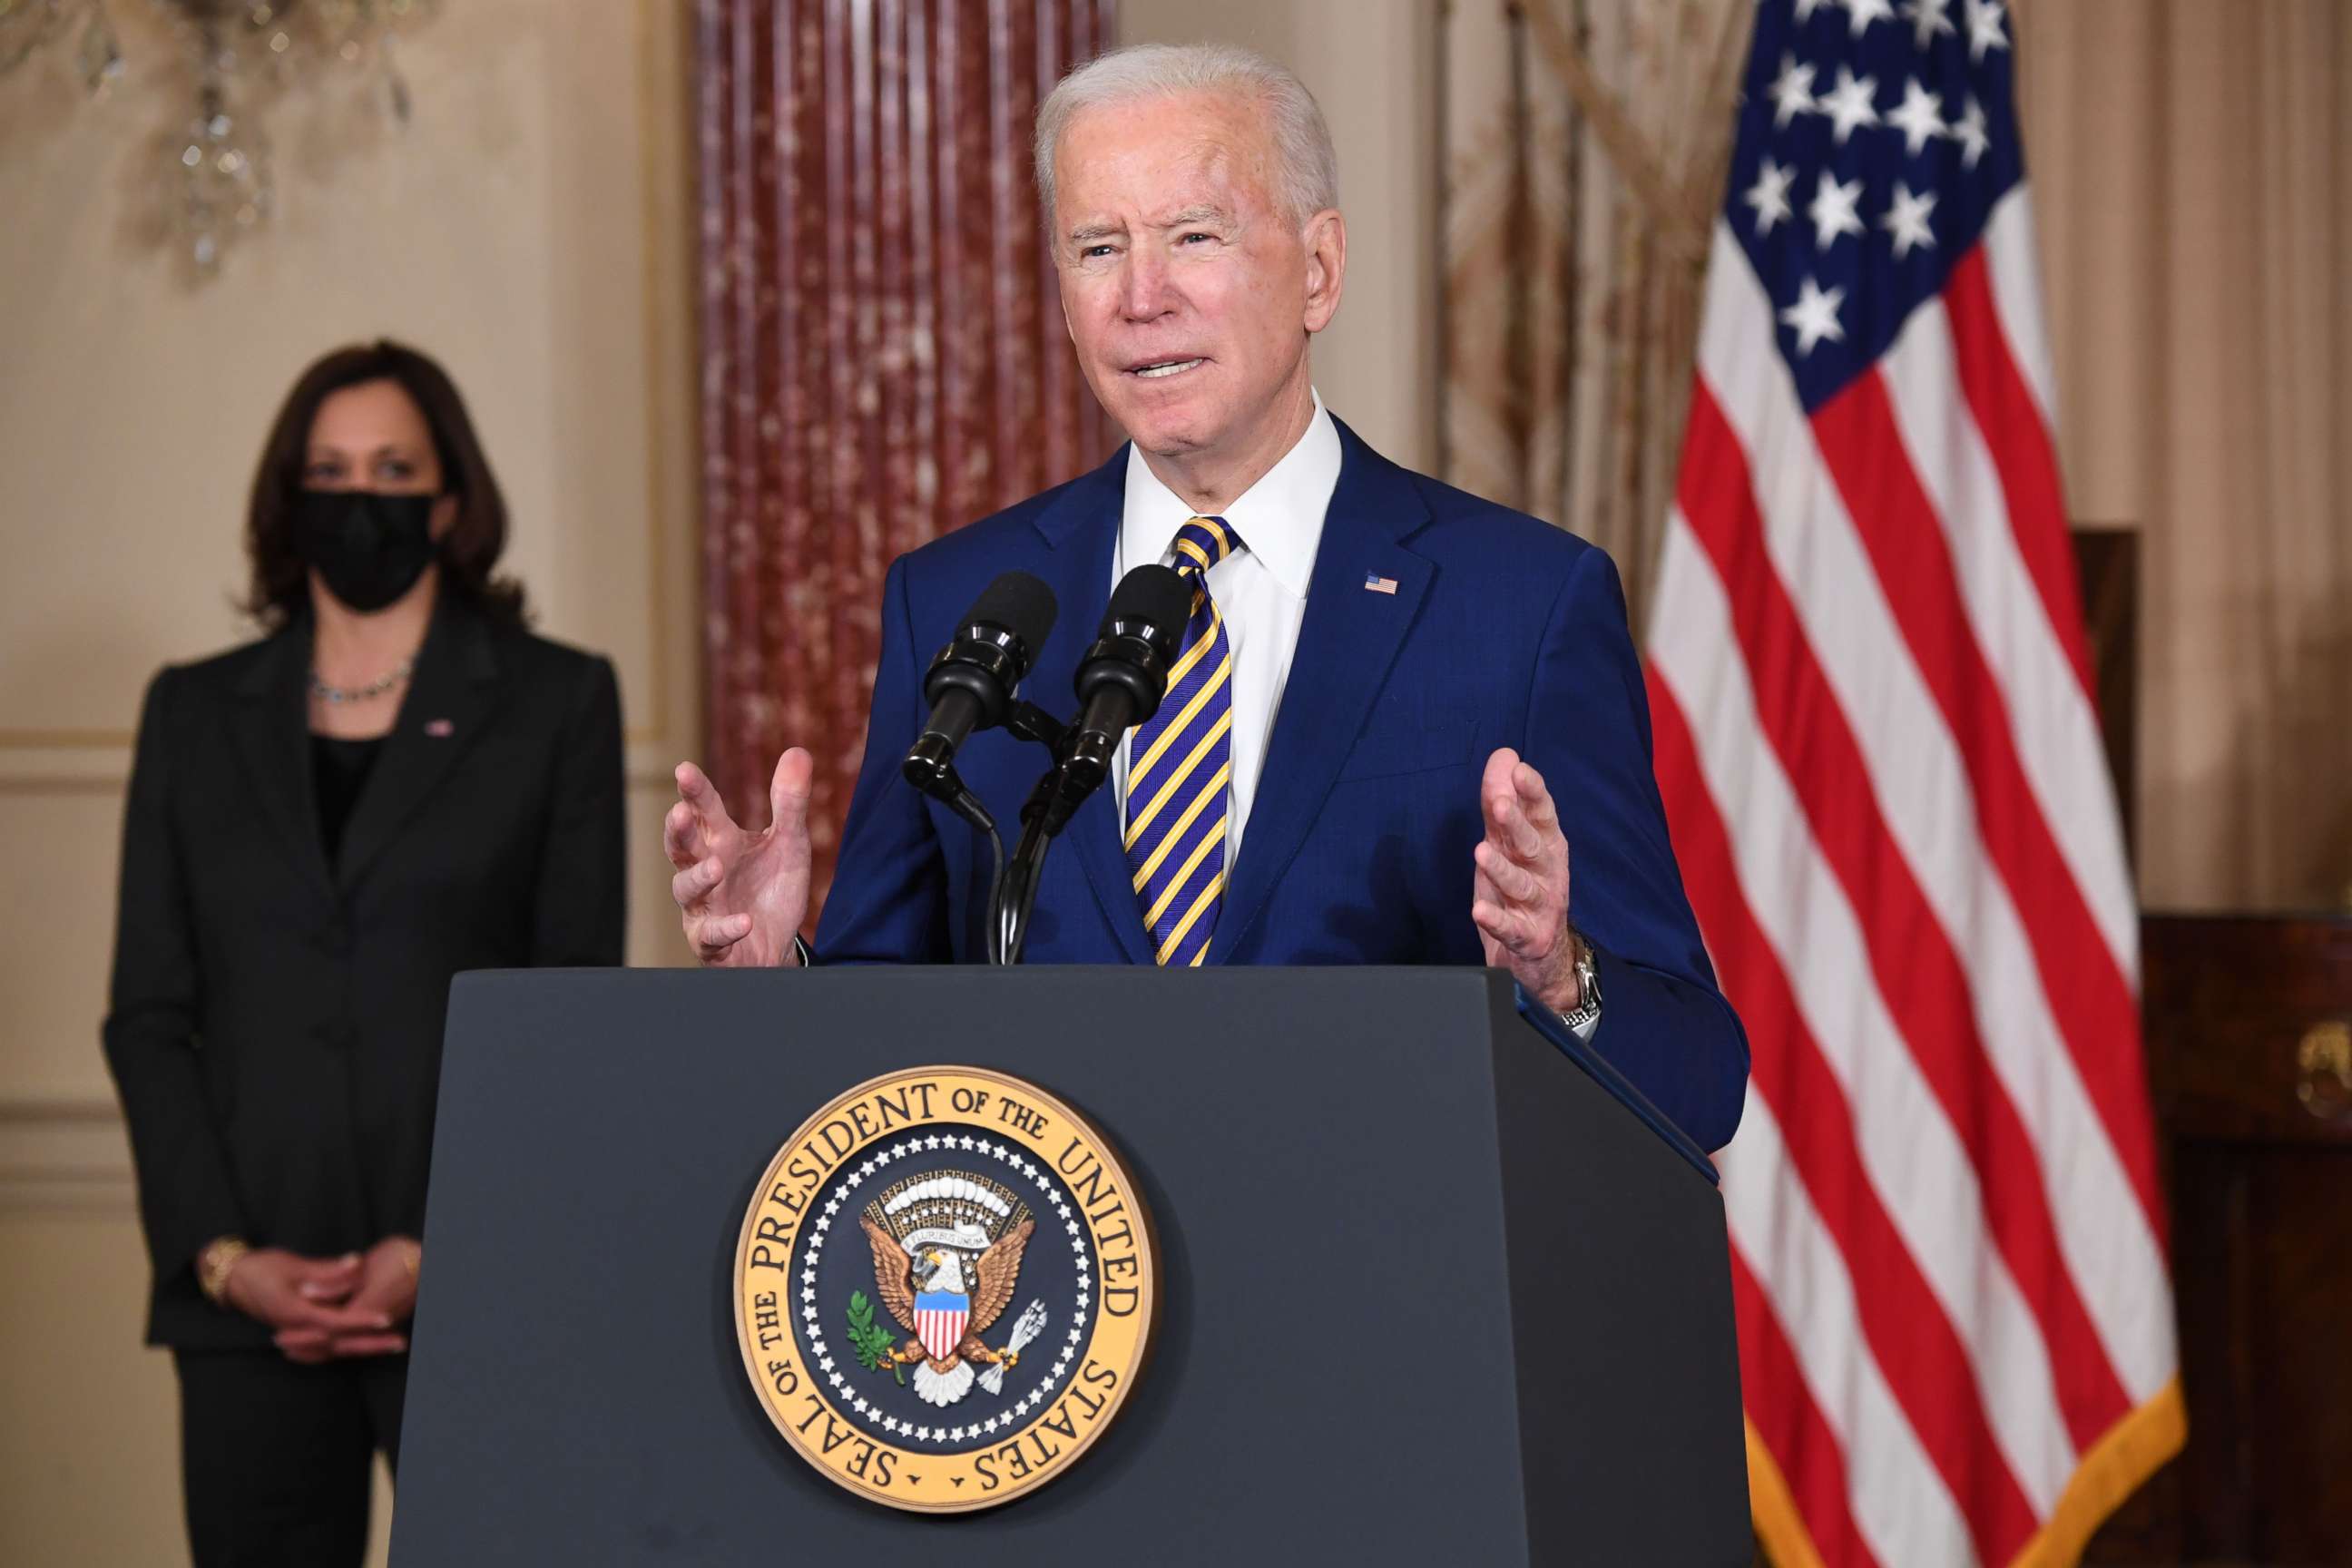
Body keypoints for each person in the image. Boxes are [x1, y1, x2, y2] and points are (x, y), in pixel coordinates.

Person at [664, 44, 1749, 1150]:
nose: (1143, 296)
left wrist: (1561, 979)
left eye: (1195, 236)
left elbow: (1699, 1076)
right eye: (1098, 247)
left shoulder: (1518, 604)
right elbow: (887, 1059)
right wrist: (781, 981)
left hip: (1385, 1295)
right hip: (1063, 1306)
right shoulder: (961, 603)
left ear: (1319, 269)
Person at [102, 340, 626, 1566]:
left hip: (475, 1280)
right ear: (288, 501)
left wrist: (440, 1250)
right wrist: (227, 1264)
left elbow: (569, 1013)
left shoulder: (556, 704)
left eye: (393, 467)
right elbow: (147, 1013)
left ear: (449, 500)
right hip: (247, 1298)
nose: (360, 495)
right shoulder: (191, 711)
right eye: (329, 470)